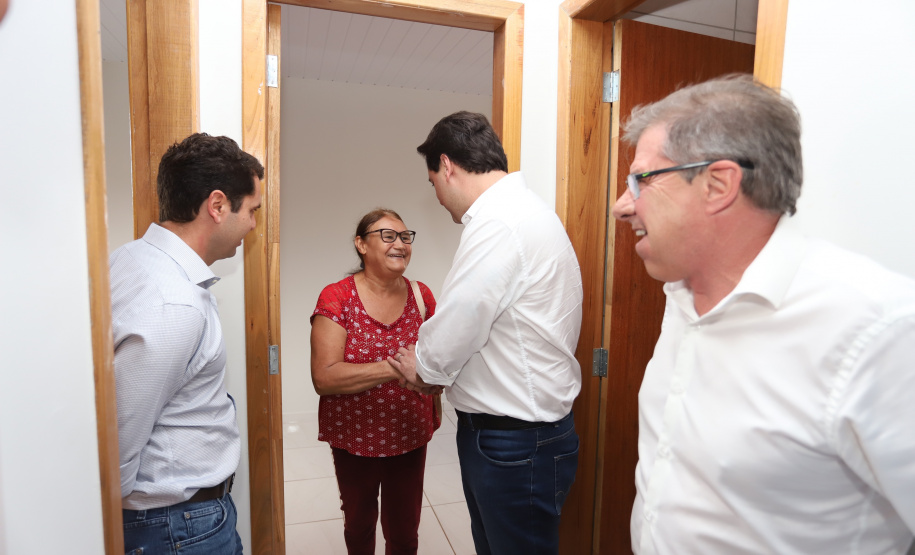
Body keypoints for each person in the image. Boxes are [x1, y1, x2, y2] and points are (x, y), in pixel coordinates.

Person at [610, 74, 915, 554]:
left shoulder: (878, 330)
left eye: (641, 180)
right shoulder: (681, 297)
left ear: (718, 184)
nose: (621, 205)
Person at [389, 111, 584, 555]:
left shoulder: (499, 223)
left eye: (432, 182)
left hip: (514, 441)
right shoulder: (525, 211)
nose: (437, 196)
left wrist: (423, 367)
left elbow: (462, 318)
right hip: (519, 433)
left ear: (448, 166)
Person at [110, 133, 263, 554]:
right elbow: (120, 440)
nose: (252, 224)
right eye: (251, 210)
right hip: (176, 528)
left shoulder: (129, 259)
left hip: (169, 522)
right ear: (217, 206)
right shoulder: (173, 304)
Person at [310, 208, 440, 555]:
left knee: (404, 529)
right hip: (354, 437)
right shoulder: (337, 297)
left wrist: (433, 379)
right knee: (359, 523)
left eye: (405, 236)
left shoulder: (421, 295)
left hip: (409, 433)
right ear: (361, 244)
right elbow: (324, 377)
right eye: (387, 236)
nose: (400, 244)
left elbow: (438, 362)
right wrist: (397, 368)